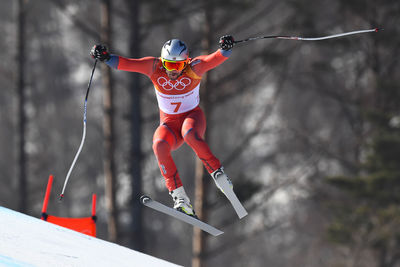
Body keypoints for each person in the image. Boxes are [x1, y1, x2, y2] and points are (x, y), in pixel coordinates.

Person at [90, 36, 235, 218]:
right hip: (169, 125)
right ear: (162, 61)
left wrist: (225, 48)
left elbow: (215, 58)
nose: (173, 71)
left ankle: (219, 175)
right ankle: (180, 198)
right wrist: (104, 57)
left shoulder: (194, 67)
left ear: (186, 62)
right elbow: (126, 63)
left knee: (189, 133)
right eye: (169, 65)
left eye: (178, 66)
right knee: (159, 145)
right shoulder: (154, 67)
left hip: (192, 118)